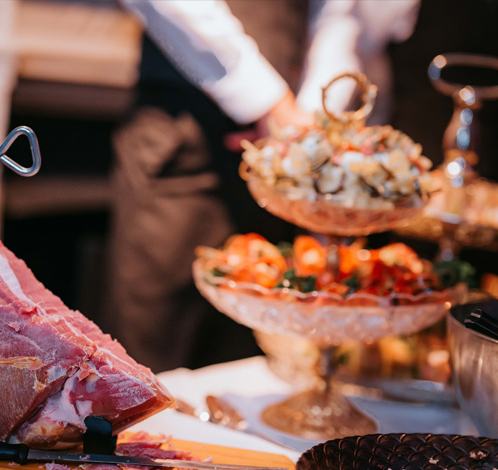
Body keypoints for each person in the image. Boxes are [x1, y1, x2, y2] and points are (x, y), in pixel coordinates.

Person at [104, 0, 422, 372]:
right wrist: (268, 103)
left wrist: (308, 126)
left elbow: (341, 11)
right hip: (184, 140)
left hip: (282, 160)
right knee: (146, 360)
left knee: (246, 365)